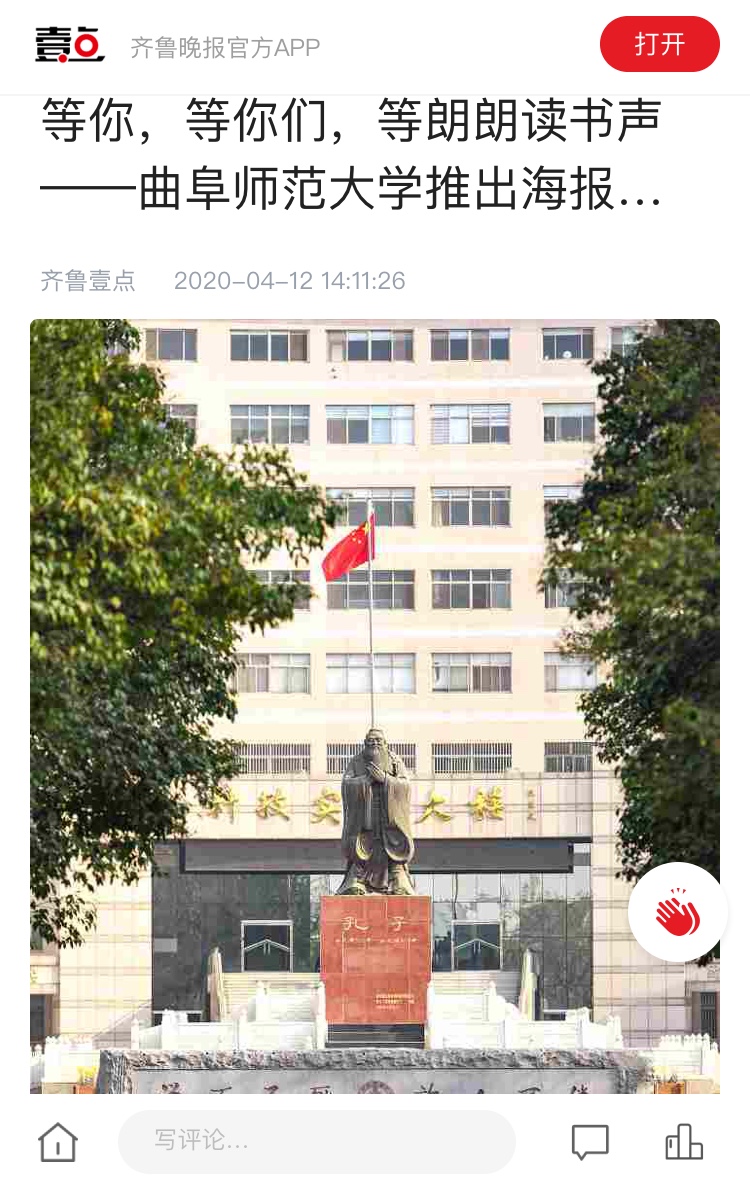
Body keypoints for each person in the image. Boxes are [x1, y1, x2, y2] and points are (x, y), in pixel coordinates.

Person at [337, 728, 415, 895]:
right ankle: (358, 878)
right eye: (371, 740)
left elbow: (405, 786)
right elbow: (347, 784)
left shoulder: (395, 761)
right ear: (365, 743)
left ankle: (396, 877)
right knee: (362, 845)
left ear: (386, 743)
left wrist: (385, 779)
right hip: (365, 815)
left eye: (378, 740)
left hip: (389, 816)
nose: (375, 743)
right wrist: (365, 781)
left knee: (393, 844)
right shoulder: (356, 761)